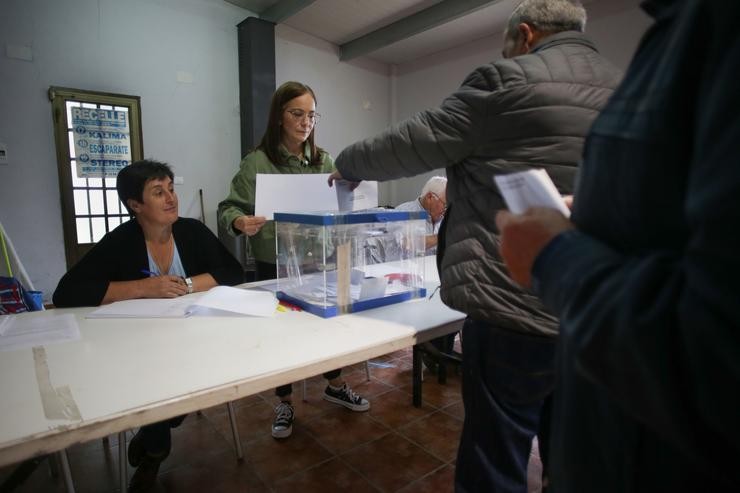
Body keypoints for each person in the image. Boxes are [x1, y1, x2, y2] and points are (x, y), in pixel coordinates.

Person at [328, 1, 621, 490]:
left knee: (496, 457)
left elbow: (406, 144)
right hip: (596, 311)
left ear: (525, 35)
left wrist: (348, 163)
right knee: (575, 461)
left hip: (513, 306)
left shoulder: (503, 82)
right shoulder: (630, 88)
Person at [495, 1, 740, 491]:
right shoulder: (658, 43)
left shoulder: (718, 27)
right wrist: (592, 209)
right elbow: (670, 208)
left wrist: (552, 255)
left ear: (525, 36)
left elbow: (717, 360)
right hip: (604, 428)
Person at [53, 160, 244, 493]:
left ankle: (157, 435)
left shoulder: (191, 231)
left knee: (176, 382)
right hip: (139, 345)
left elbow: (232, 272)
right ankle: (156, 447)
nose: (171, 198)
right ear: (135, 205)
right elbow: (66, 292)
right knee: (154, 377)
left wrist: (184, 284)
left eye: (171, 188)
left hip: (194, 337)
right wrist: (142, 288)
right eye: (158, 192)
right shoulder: (122, 241)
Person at [218, 81, 370, 440]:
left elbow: (341, 202)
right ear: (279, 117)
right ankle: (284, 400)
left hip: (319, 259)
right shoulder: (257, 162)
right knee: (282, 337)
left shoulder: (324, 160)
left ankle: (334, 383)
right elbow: (229, 208)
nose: (306, 123)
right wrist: (240, 221)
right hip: (275, 262)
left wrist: (354, 192)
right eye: (297, 114)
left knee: (325, 326)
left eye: (312, 115)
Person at [395, 176, 447, 254]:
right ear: (430, 197)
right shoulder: (403, 212)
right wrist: (443, 236)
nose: (446, 210)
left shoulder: (442, 218)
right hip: (404, 265)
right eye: (445, 204)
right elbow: (405, 243)